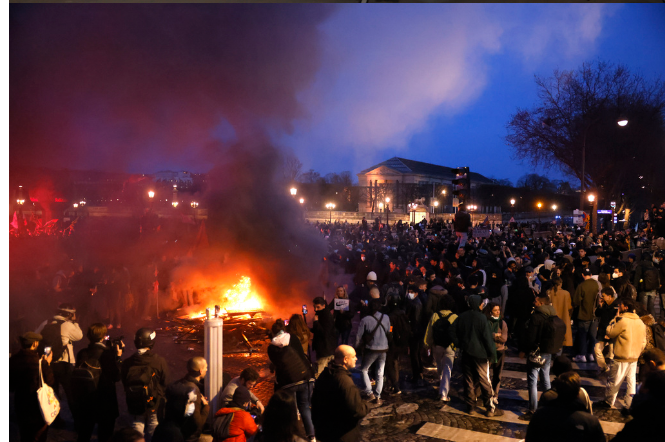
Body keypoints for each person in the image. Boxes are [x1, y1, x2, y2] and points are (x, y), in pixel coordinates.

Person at [73, 323, 124, 442]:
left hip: (86, 399)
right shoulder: (107, 354)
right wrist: (118, 357)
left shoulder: (82, 353)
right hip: (105, 400)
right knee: (105, 435)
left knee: (84, 434)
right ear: (103, 336)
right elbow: (116, 376)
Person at [267, 319, 315, 441]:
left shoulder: (272, 347)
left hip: (289, 381)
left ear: (273, 333)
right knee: (304, 407)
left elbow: (276, 364)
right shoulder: (293, 337)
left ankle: (295, 436)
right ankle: (312, 437)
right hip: (305, 376)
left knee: (292, 410)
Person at [449, 294, 498, 417]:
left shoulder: (462, 317)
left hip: (466, 352)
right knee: (484, 380)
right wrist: (492, 355)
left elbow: (452, 331)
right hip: (480, 354)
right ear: (479, 304)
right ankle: (489, 407)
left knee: (468, 380)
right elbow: (487, 338)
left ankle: (470, 406)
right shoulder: (482, 318)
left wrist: (459, 343)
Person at [595, 297, 647, 411]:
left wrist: (614, 319)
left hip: (621, 357)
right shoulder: (640, 322)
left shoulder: (623, 321)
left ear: (625, 307)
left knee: (614, 381)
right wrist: (638, 350)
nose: (619, 307)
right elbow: (644, 341)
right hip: (634, 357)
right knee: (631, 382)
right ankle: (629, 404)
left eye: (621, 305)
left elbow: (610, 332)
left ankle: (609, 401)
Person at [35, 302, 84, 422]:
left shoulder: (46, 322)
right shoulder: (68, 325)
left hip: (49, 362)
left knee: (53, 392)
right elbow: (79, 336)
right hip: (64, 363)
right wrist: (75, 323)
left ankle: (56, 420)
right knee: (71, 393)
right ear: (69, 314)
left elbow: (36, 334)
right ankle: (78, 419)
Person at [525, 372, 605, 442]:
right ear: (578, 393)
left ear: (558, 391)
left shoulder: (539, 415)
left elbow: (530, 439)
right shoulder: (590, 422)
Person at [519, 292, 562, 419]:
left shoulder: (536, 316)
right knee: (546, 378)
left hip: (536, 352)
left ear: (541, 303)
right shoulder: (553, 314)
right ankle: (549, 406)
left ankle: (533, 409)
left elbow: (531, 336)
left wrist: (525, 350)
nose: (534, 303)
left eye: (536, 301)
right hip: (548, 351)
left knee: (532, 381)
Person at [311, 345, 368, 442]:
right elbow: (357, 410)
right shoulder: (345, 382)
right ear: (345, 359)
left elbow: (315, 401)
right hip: (343, 434)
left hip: (325, 431)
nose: (356, 358)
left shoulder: (325, 374)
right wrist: (366, 405)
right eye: (353, 356)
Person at [121, 328, 169, 442]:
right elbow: (166, 382)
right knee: (154, 427)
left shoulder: (128, 362)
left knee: (137, 426)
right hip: (154, 401)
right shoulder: (159, 361)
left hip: (134, 401)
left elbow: (124, 381)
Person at [9, 332, 55, 442]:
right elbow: (50, 381)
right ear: (34, 344)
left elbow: (11, 386)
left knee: (24, 434)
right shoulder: (40, 362)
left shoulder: (13, 360)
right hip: (37, 404)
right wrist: (47, 364)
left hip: (20, 402)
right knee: (39, 435)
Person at [354, 299, 390, 405]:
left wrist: (355, 347)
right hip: (384, 348)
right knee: (380, 372)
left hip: (371, 349)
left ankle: (369, 392)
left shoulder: (365, 319)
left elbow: (358, 336)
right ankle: (378, 395)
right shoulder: (386, 317)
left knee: (364, 369)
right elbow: (388, 330)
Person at [165, 357, 210, 442]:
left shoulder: (175, 385)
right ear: (200, 371)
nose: (206, 370)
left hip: (171, 432)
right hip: (187, 437)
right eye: (206, 368)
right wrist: (206, 407)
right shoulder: (193, 391)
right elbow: (198, 423)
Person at [423, 294, 457, 402]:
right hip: (450, 347)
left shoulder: (435, 315)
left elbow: (429, 332)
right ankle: (443, 393)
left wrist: (427, 345)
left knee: (440, 367)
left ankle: (441, 387)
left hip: (437, 346)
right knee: (448, 369)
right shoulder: (454, 317)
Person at [572, 268, 599, 363]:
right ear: (591, 274)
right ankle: (590, 354)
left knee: (582, 335)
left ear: (583, 275)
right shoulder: (596, 284)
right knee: (592, 336)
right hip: (595, 315)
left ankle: (582, 355)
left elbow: (576, 301)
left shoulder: (581, 286)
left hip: (584, 314)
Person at [484, 302, 508, 405]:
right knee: (486, 374)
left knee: (497, 375)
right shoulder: (486, 322)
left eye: (499, 310)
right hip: (488, 351)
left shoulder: (502, 323)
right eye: (495, 310)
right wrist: (496, 335)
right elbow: (485, 336)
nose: (498, 312)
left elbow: (504, 338)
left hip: (499, 351)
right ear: (490, 312)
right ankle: (487, 393)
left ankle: (495, 395)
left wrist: (493, 335)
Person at [593, 288, 618, 374]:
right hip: (602, 331)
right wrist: (600, 306)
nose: (602, 298)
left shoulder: (616, 306)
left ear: (610, 296)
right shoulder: (604, 305)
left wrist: (610, 333)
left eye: (603, 296)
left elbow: (617, 320)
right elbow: (597, 314)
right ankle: (603, 367)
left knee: (612, 354)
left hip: (612, 332)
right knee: (597, 349)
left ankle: (613, 372)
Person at [311, 297, 336, 377]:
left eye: (318, 307)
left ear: (324, 306)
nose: (315, 309)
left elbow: (324, 333)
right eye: (314, 307)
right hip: (323, 348)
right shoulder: (321, 315)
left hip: (325, 350)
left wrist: (316, 322)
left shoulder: (327, 316)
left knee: (319, 373)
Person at [549, 277, 573, 353]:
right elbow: (569, 307)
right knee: (561, 337)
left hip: (552, 319)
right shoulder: (566, 293)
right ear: (561, 283)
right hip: (563, 318)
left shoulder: (549, 293)